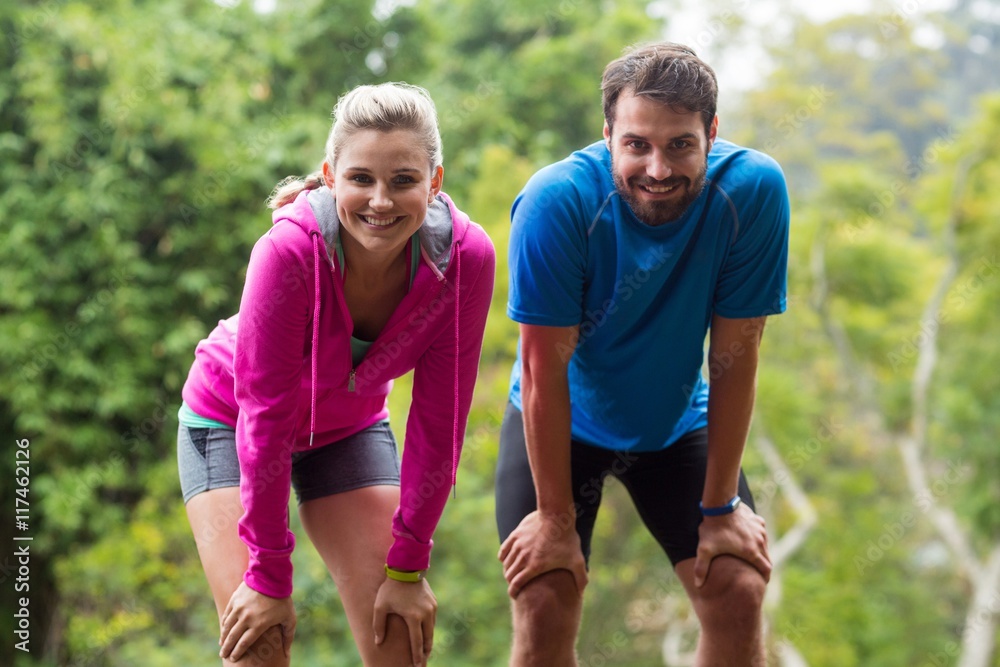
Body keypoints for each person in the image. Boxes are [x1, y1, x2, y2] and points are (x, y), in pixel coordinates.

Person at [177, 82, 495, 667]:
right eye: (360, 179)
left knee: (398, 638)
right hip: (228, 422)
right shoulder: (289, 252)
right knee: (259, 648)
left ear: (436, 181)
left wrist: (409, 561)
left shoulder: (464, 261)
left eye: (403, 180)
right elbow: (264, 420)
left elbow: (439, 417)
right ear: (330, 176)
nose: (380, 201)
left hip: (345, 430)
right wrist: (270, 576)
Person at [495, 42, 789, 666]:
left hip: (675, 420)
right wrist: (554, 519)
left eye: (681, 144)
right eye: (637, 145)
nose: (658, 169)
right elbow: (542, 368)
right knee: (546, 598)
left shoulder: (753, 192)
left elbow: (736, 354)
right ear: (608, 136)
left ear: (712, 133)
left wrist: (721, 507)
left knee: (737, 588)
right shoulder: (556, 203)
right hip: (562, 420)